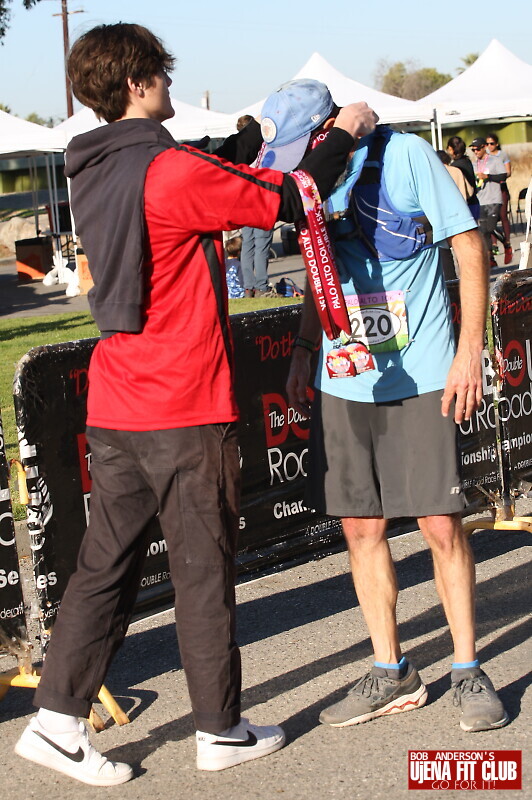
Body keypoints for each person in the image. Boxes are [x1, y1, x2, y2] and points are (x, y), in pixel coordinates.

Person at [13, 26, 378, 786]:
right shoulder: (171, 169)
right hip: (182, 402)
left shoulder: (95, 164)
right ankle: (220, 729)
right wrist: (343, 133)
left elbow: (205, 165)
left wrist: (251, 134)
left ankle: (55, 721)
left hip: (119, 398)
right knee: (203, 570)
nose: (170, 83)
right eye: (162, 74)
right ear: (140, 81)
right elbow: (291, 197)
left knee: (104, 568)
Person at [265, 82, 509, 736]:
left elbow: (468, 245)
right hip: (347, 379)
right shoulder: (312, 182)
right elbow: (322, 271)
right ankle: (391, 669)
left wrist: (469, 352)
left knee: (439, 523)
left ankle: (467, 668)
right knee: (361, 528)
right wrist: (303, 350)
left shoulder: (405, 156)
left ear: (328, 130)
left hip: (424, 369)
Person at [236, 114, 275, 297]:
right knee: (261, 244)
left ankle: (248, 286)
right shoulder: (264, 149)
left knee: (248, 245)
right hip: (261, 200)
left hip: (244, 200)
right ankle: (261, 286)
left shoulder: (238, 151)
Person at [470, 136, 507, 268]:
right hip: (481, 200)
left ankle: (506, 244)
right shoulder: (474, 164)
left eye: (478, 149)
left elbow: (503, 176)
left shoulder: (494, 160)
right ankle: (490, 258)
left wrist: (488, 177)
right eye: (473, 150)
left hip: (494, 199)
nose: (476, 152)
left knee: (491, 227)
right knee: (484, 231)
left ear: (484, 147)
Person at [486, 133, 513, 264]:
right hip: (489, 190)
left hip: (501, 188)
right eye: (487, 144)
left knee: (503, 216)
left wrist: (496, 175)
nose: (489, 146)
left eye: (491, 143)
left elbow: (508, 172)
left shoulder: (502, 155)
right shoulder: (485, 156)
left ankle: (507, 242)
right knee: (490, 220)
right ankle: (494, 244)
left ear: (496, 144)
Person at [446, 135, 479, 219]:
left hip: (464, 205)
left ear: (451, 149)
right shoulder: (467, 161)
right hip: (474, 202)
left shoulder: (455, 167)